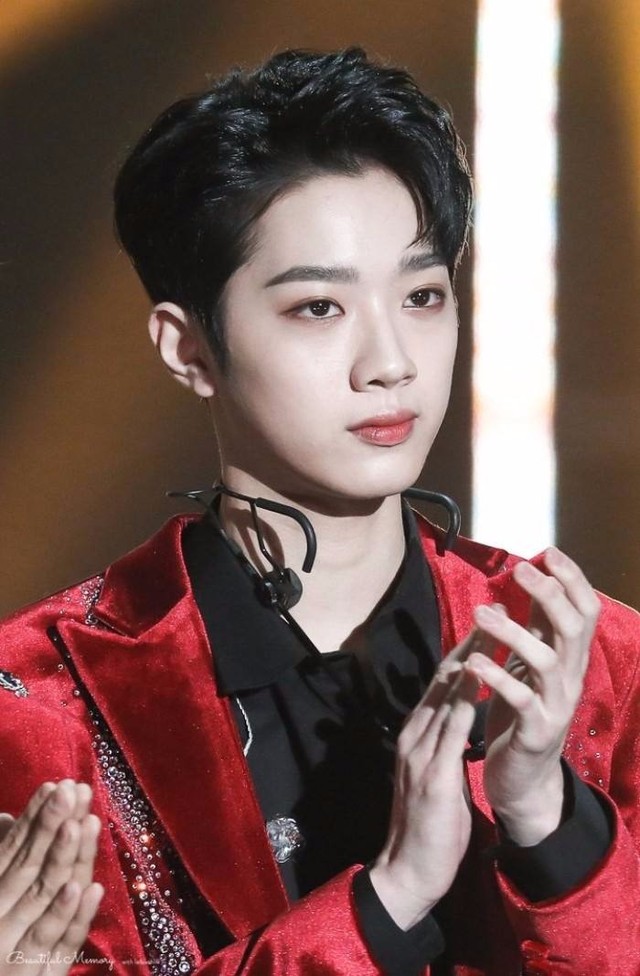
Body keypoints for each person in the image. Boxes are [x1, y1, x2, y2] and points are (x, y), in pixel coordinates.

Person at [1, 47, 639, 976]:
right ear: (187, 349)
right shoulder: (35, 704)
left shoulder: (601, 667)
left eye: (422, 295)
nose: (391, 362)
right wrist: (385, 904)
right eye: (318, 308)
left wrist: (549, 819)